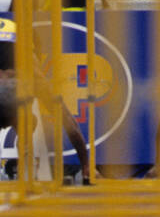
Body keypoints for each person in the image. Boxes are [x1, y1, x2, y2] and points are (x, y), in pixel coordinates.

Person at [0, 15, 93, 181]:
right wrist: (86, 166)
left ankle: (26, 160)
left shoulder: (28, 70)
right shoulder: (33, 73)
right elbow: (69, 123)